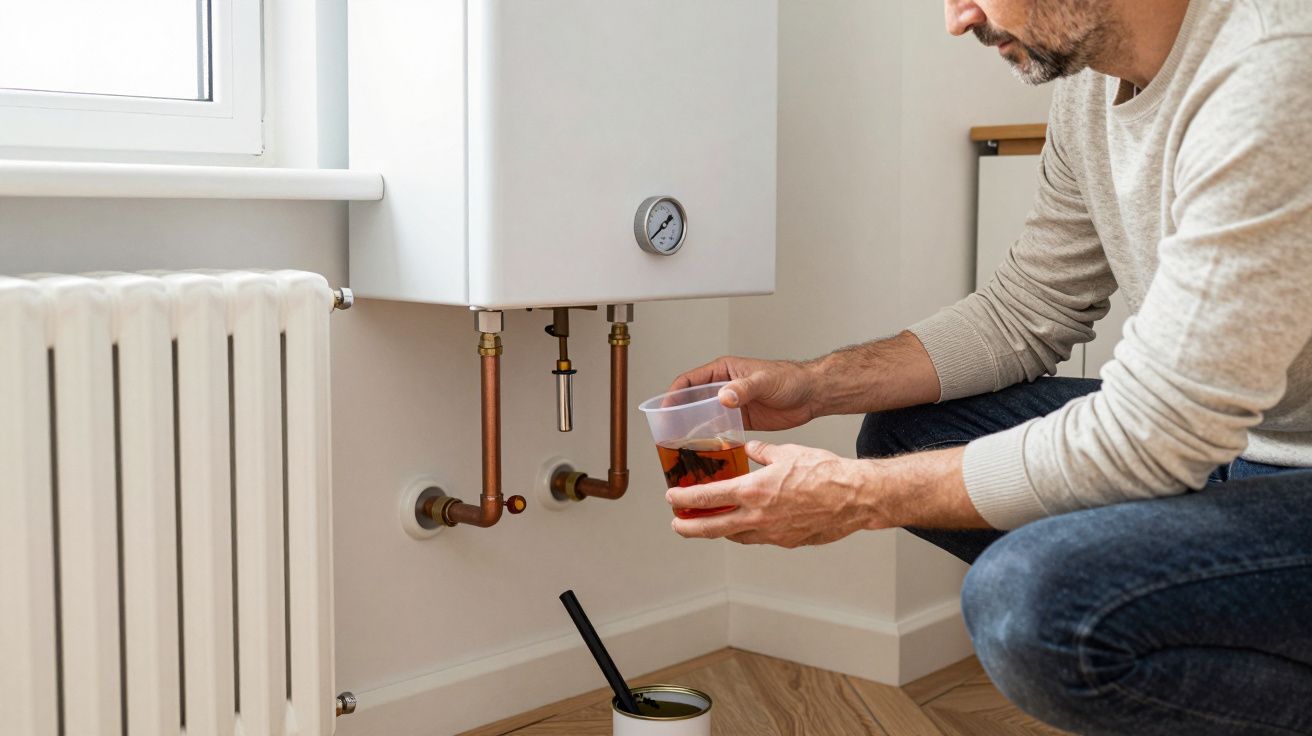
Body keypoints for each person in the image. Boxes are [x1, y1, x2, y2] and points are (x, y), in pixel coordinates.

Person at [664, 0, 1312, 733]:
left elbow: (1152, 435)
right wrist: (816, 386)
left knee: (1033, 604)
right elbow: (1026, 308)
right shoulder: (1091, 84)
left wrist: (853, 497)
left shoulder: (1274, 68)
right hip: (1234, 446)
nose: (957, 17)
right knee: (907, 434)